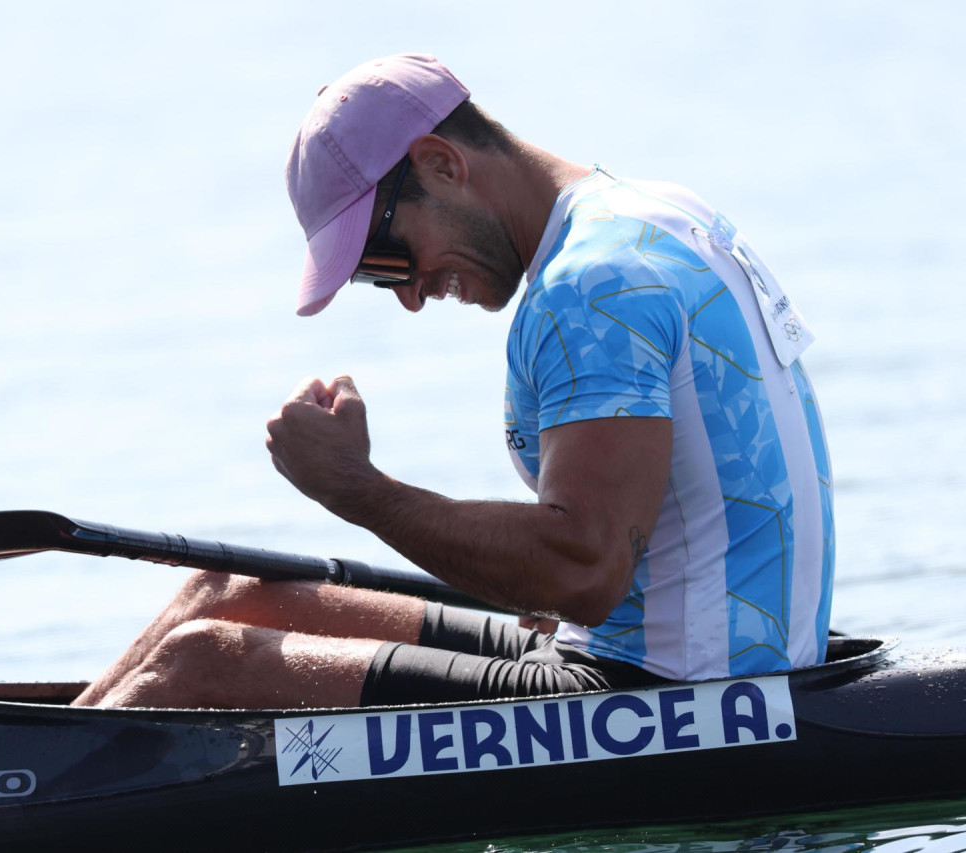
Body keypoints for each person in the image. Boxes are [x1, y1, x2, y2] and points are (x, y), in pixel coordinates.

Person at [73, 54, 834, 710]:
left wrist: (355, 489)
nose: (407, 293)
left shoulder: (591, 287)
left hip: (682, 693)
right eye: (379, 278)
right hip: (643, 651)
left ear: (442, 163)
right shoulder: (656, 212)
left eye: (386, 255)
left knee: (203, 661)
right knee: (225, 593)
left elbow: (586, 566)